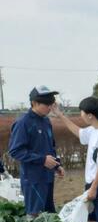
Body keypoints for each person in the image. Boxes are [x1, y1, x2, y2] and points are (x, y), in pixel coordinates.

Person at [8, 86, 64, 215]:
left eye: (51, 103)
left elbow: (51, 147)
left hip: (48, 177)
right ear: (34, 103)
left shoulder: (46, 121)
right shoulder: (23, 122)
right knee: (35, 216)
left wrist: (57, 165)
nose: (50, 107)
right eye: (46, 103)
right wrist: (42, 160)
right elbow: (15, 151)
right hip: (33, 178)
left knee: (49, 215)